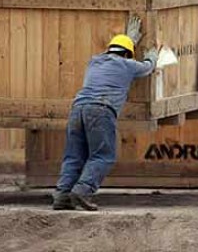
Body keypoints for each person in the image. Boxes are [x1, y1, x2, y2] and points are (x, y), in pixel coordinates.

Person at [52, 16, 158, 211]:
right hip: (101, 110)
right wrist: (153, 55)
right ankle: (83, 191)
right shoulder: (129, 65)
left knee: (74, 155)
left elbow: (113, 54)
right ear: (128, 54)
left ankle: (62, 196)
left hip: (77, 109)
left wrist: (128, 40)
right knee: (103, 156)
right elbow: (148, 67)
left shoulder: (94, 61)